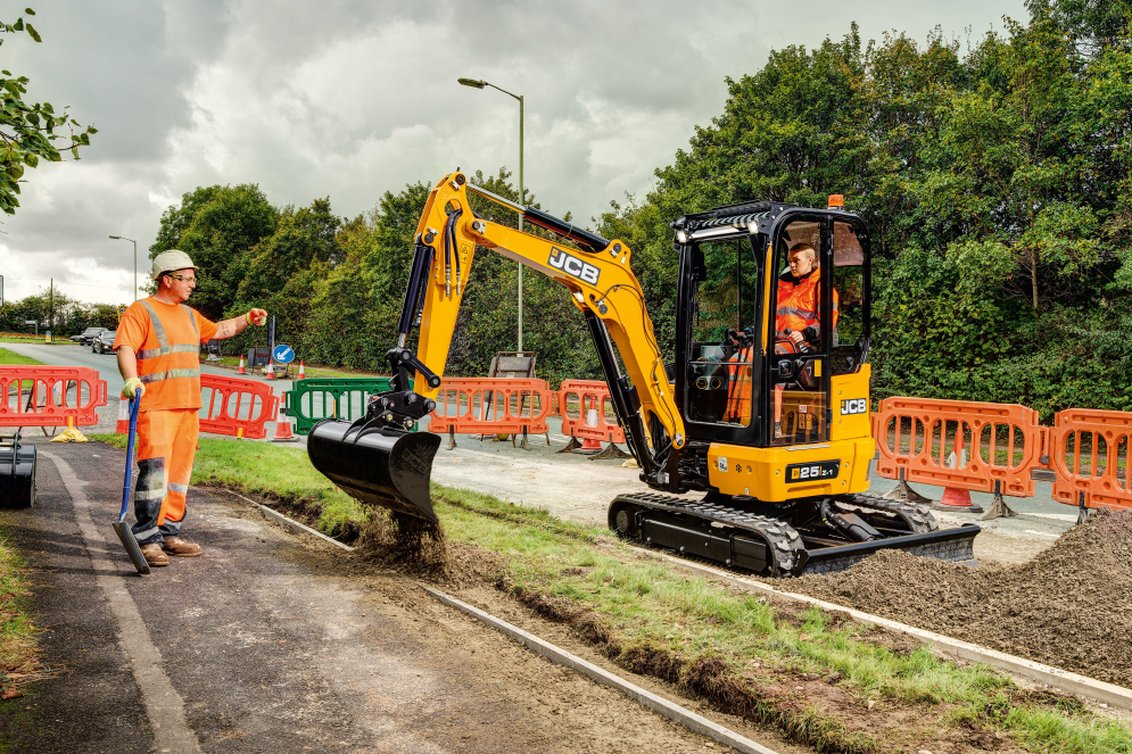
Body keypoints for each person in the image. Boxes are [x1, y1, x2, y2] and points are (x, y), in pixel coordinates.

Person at [114, 250, 268, 568]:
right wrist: (131, 379)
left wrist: (248, 319)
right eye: (187, 278)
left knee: (178, 477)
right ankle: (147, 538)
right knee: (155, 473)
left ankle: (169, 532)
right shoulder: (140, 311)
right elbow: (126, 346)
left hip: (187, 408)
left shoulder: (188, 315)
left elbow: (221, 331)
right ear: (167, 279)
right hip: (156, 407)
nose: (193, 284)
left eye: (194, 278)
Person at [773, 242, 838, 438]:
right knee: (739, 359)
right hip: (778, 339)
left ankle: (774, 425)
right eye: (789, 261)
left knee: (773, 361)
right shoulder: (782, 287)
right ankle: (734, 415)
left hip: (806, 344)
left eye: (796, 260)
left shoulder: (822, 287)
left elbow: (827, 321)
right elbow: (772, 317)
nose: (792, 265)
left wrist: (805, 333)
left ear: (810, 261)